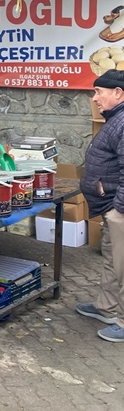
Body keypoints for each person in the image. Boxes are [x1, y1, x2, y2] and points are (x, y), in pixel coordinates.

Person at [76, 70, 124, 342]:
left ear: (118, 93)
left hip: (119, 209)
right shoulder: (116, 119)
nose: (94, 98)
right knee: (112, 259)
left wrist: (119, 208)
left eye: (98, 92)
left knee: (123, 263)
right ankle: (107, 308)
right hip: (111, 206)